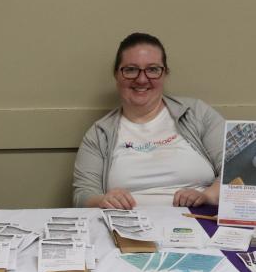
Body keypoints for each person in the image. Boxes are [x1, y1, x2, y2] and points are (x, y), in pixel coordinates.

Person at [73, 32, 225, 209]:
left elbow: (236, 169)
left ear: (165, 74)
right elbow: (82, 196)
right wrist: (102, 200)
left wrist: (206, 196)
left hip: (199, 221)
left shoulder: (198, 113)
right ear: (116, 75)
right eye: (130, 69)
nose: (142, 79)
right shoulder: (100, 133)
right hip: (128, 228)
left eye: (153, 69)